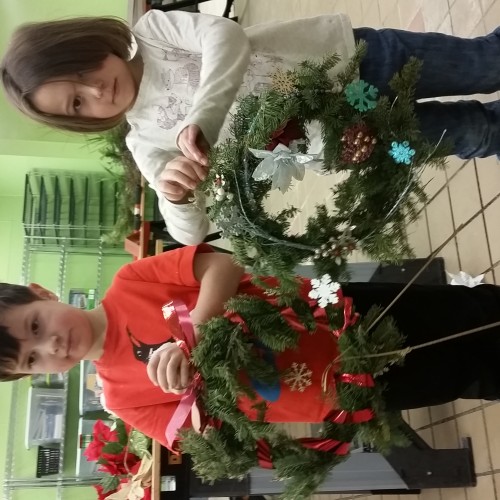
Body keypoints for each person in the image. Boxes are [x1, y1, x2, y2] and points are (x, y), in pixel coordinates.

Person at [3, 11, 500, 245]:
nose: (96, 90)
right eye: (77, 102)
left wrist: (203, 118)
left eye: (83, 71)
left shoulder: (152, 34)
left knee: (483, 63)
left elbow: (226, 38)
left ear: (86, 42)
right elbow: (192, 234)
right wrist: (176, 196)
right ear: (79, 120)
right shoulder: (146, 141)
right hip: (348, 138)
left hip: (353, 59)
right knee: (472, 135)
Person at [1, 244, 500, 449]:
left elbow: (222, 265)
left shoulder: (131, 281)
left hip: (330, 315)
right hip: (334, 388)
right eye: (33, 358)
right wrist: (194, 395)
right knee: (456, 377)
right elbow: (205, 439)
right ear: (37, 374)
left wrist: (196, 329)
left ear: (41, 293)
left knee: (458, 314)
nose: (51, 345)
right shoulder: (121, 398)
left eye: (36, 325)